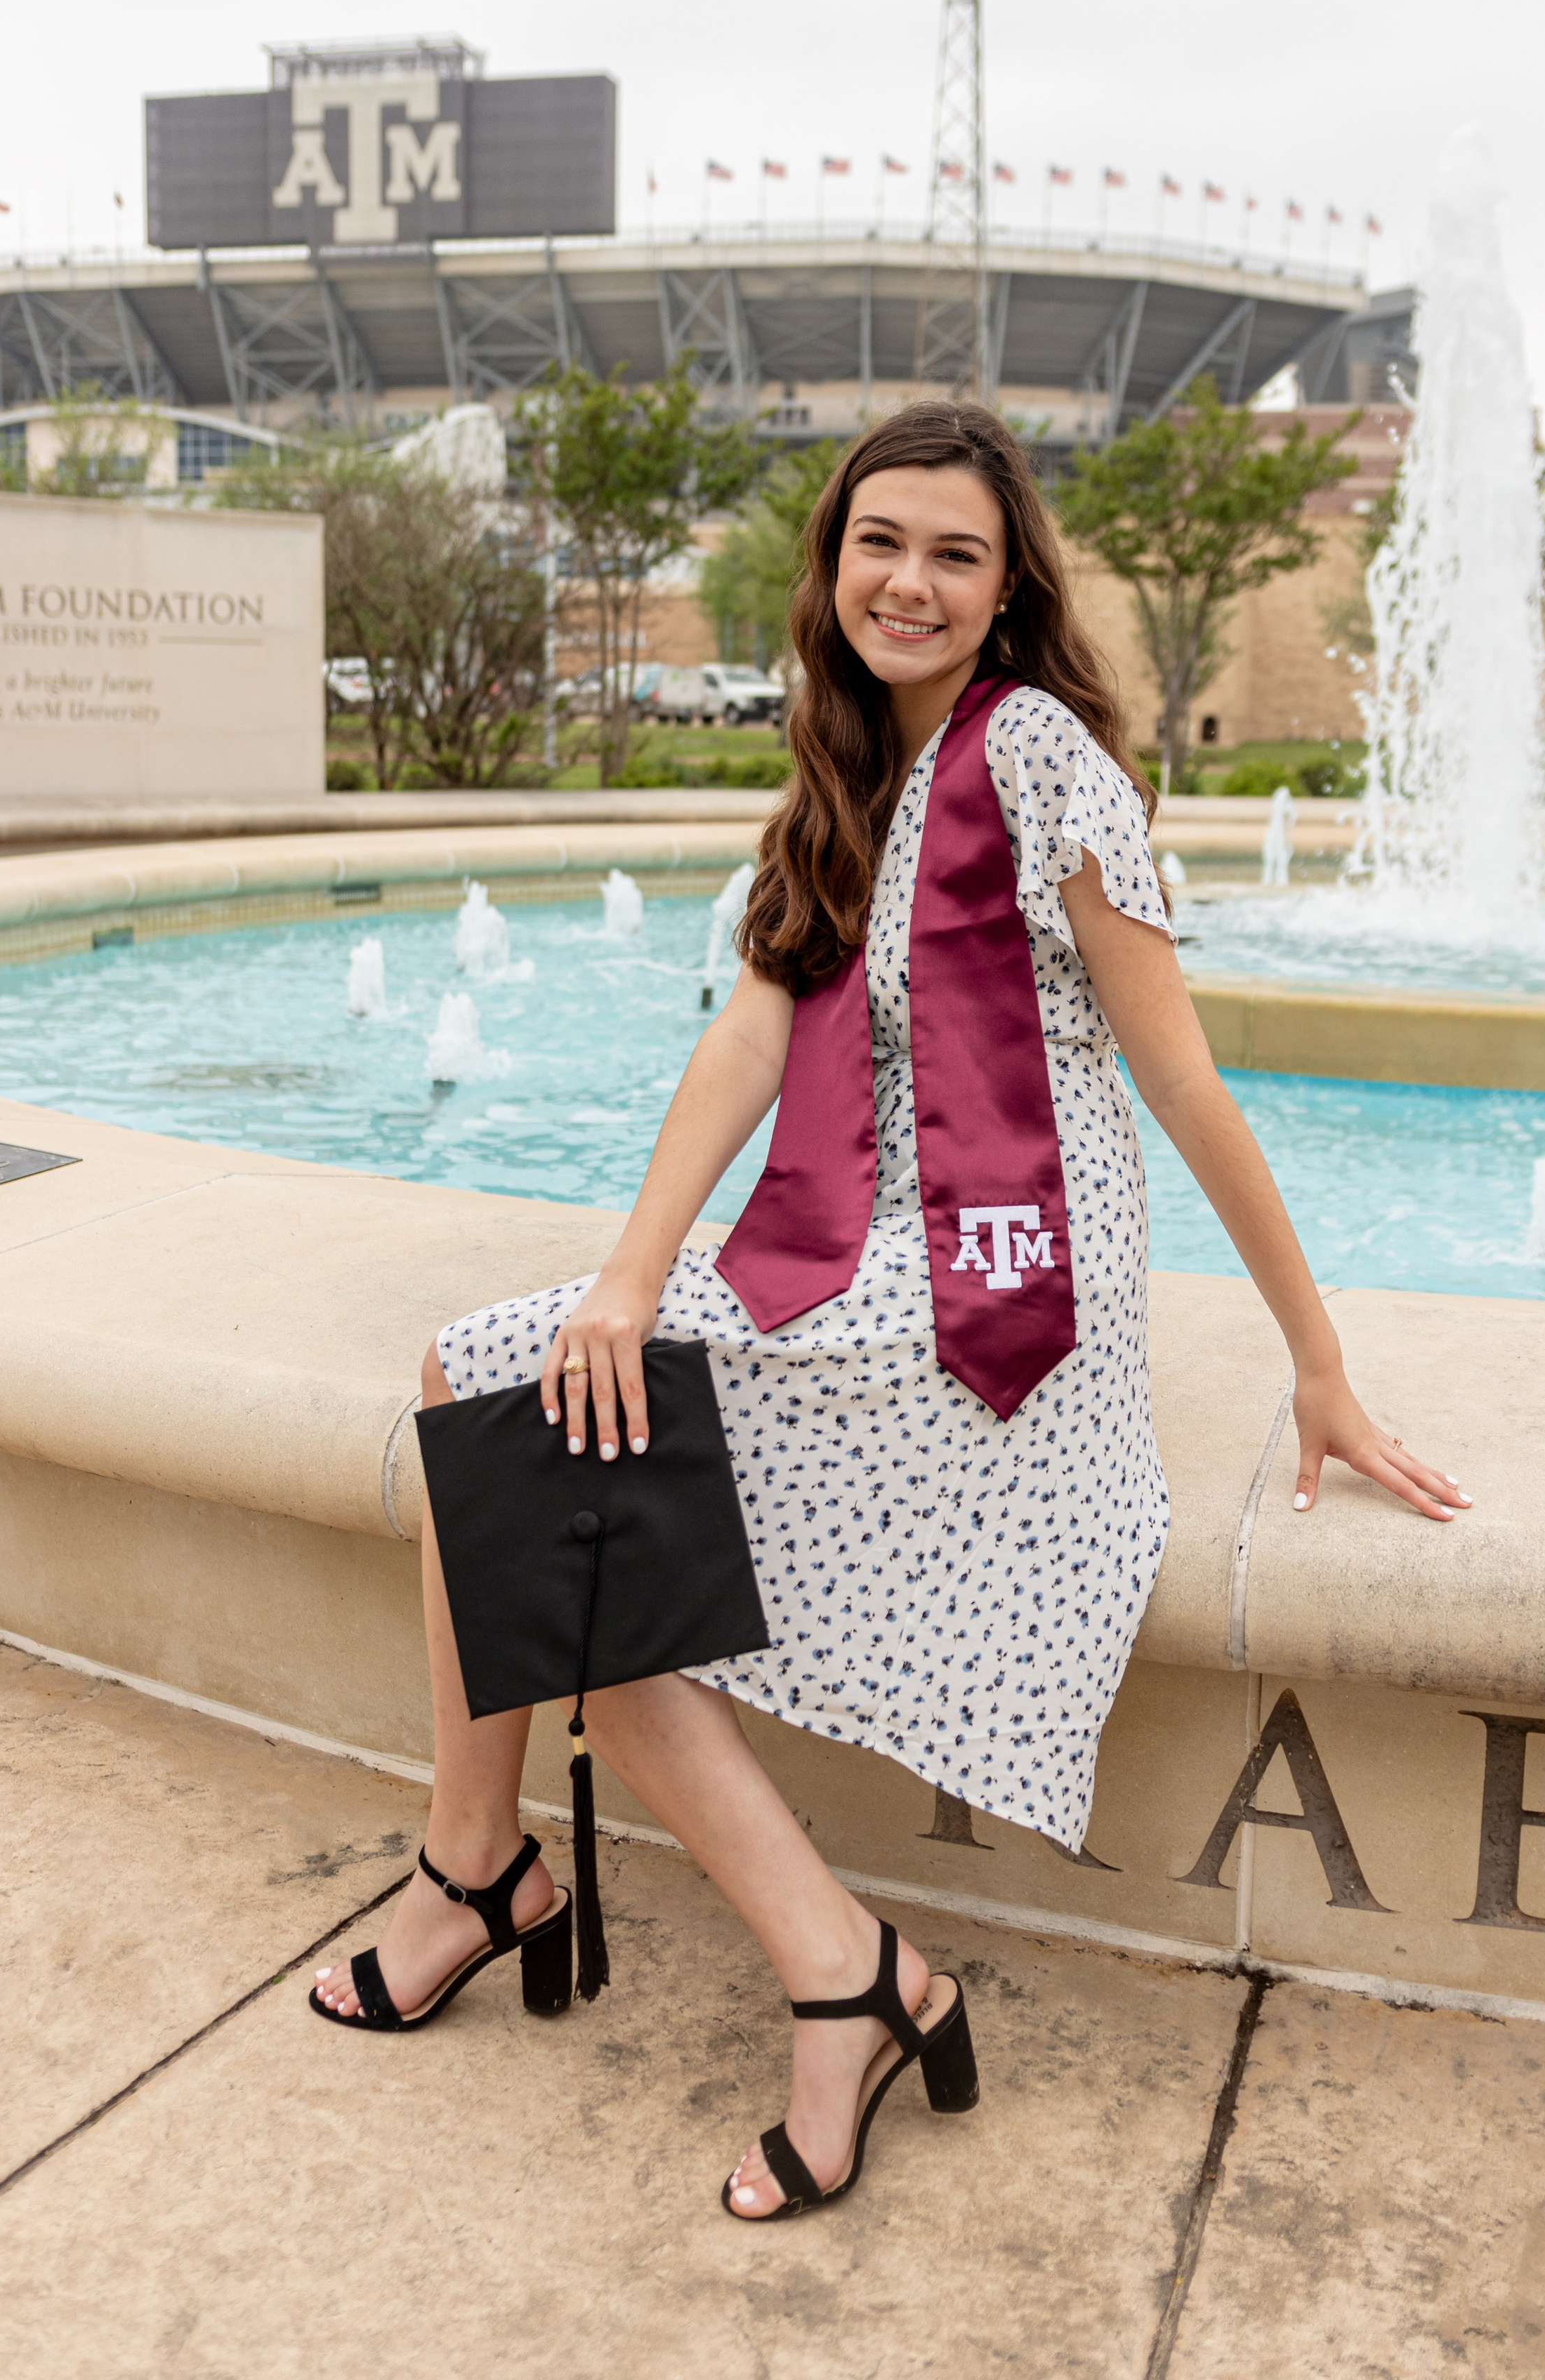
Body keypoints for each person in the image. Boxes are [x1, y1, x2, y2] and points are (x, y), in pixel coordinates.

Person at [312, 399, 1467, 2216]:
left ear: (1010, 594)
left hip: (998, 1304)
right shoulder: (842, 768)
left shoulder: (1046, 768)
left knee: (574, 1490)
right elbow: (755, 1030)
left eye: (956, 554)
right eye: (882, 543)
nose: (909, 582)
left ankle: (815, 1967)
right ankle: (493, 1865)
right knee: (504, 1380)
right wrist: (629, 1273)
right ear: (832, 562)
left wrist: (1320, 1363)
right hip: (850, 1254)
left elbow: (1180, 1080)